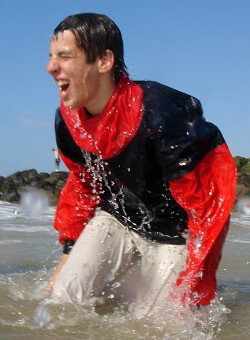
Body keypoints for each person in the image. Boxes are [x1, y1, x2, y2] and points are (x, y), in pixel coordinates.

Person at [46, 13, 236, 315]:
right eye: (51, 56)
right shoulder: (67, 122)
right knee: (62, 302)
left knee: (158, 325)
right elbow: (82, 186)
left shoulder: (159, 115)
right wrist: (67, 257)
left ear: (105, 61)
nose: (51, 67)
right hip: (117, 218)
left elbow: (208, 207)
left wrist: (197, 280)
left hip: (175, 234)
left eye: (65, 56)